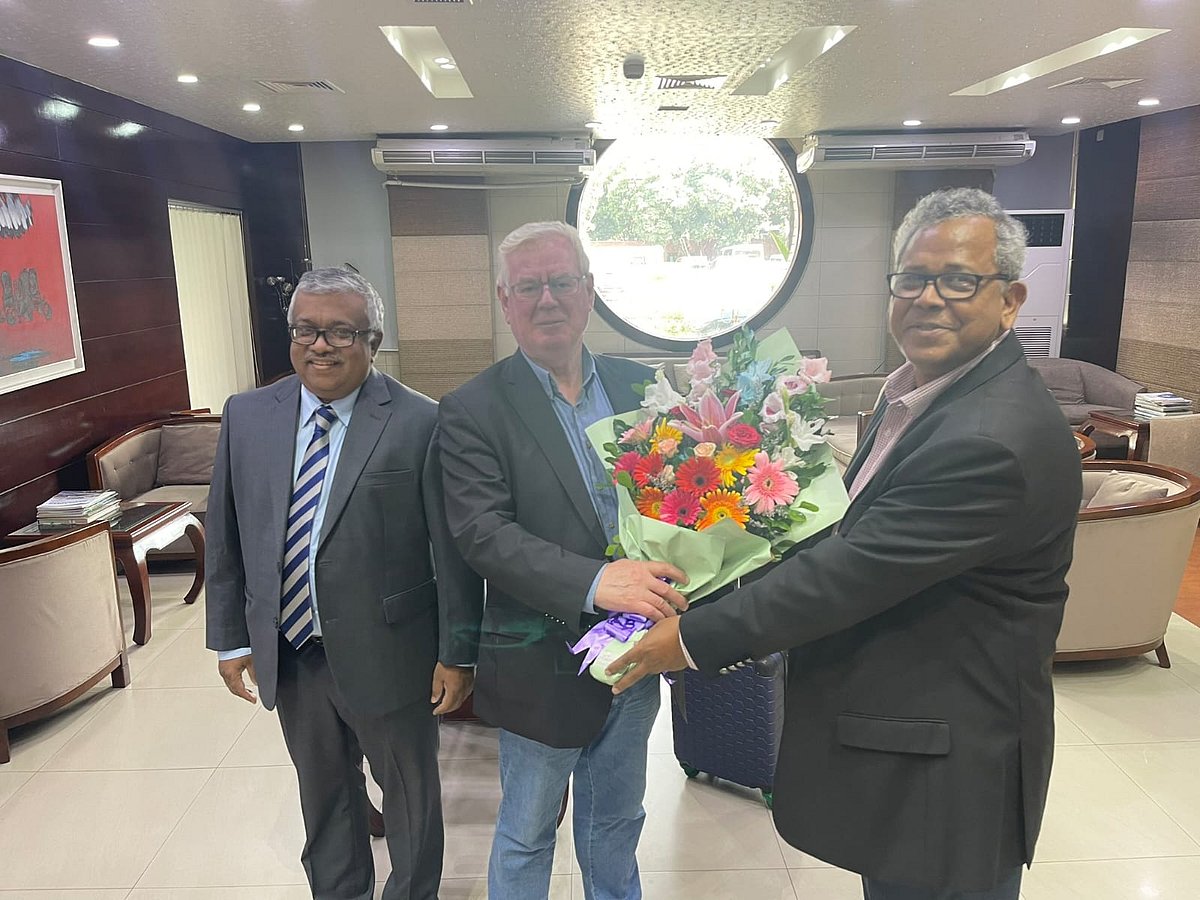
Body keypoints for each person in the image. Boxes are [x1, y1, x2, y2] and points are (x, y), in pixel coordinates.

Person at [608, 188, 1082, 900]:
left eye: (958, 280)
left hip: (949, 773)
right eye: (911, 279)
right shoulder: (916, 399)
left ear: (1010, 300)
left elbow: (848, 575)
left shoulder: (990, 438)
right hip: (908, 749)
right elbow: (845, 532)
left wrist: (692, 637)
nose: (928, 299)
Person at [206, 267, 483, 900]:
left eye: (340, 332)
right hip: (293, 654)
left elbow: (454, 552)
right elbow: (226, 537)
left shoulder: (421, 422)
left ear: (373, 339)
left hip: (394, 654)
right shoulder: (248, 415)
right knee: (324, 794)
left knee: (410, 803)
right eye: (306, 329)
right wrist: (229, 638)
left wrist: (457, 652)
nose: (320, 345)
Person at [437, 221, 689, 900]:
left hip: (637, 655)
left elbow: (687, 505)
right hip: (538, 662)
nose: (547, 299)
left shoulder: (648, 390)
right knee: (526, 834)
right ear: (505, 299)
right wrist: (595, 581)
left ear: (589, 292)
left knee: (616, 823)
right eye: (529, 286)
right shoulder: (473, 409)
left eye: (561, 281)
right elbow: (481, 534)